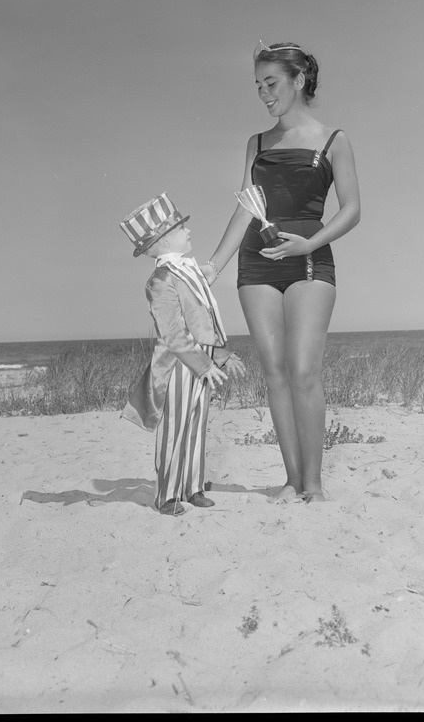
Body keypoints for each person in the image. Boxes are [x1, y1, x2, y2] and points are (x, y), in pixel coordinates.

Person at [201, 40, 361, 504]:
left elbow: (351, 210)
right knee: (275, 374)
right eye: (258, 85)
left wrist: (310, 242)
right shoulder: (256, 143)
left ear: (299, 80)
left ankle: (315, 482)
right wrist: (213, 265)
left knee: (304, 370)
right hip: (256, 265)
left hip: (311, 260)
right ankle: (292, 481)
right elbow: (245, 210)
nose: (263, 93)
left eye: (271, 83)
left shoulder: (335, 140)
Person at [119, 193, 245, 516]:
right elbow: (173, 332)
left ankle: (193, 486)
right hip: (178, 364)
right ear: (162, 241)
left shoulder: (187, 271)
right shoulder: (160, 280)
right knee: (174, 426)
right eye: (180, 228)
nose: (188, 231)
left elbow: (204, 320)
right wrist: (203, 365)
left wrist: (220, 354)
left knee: (196, 423)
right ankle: (167, 495)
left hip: (200, 360)